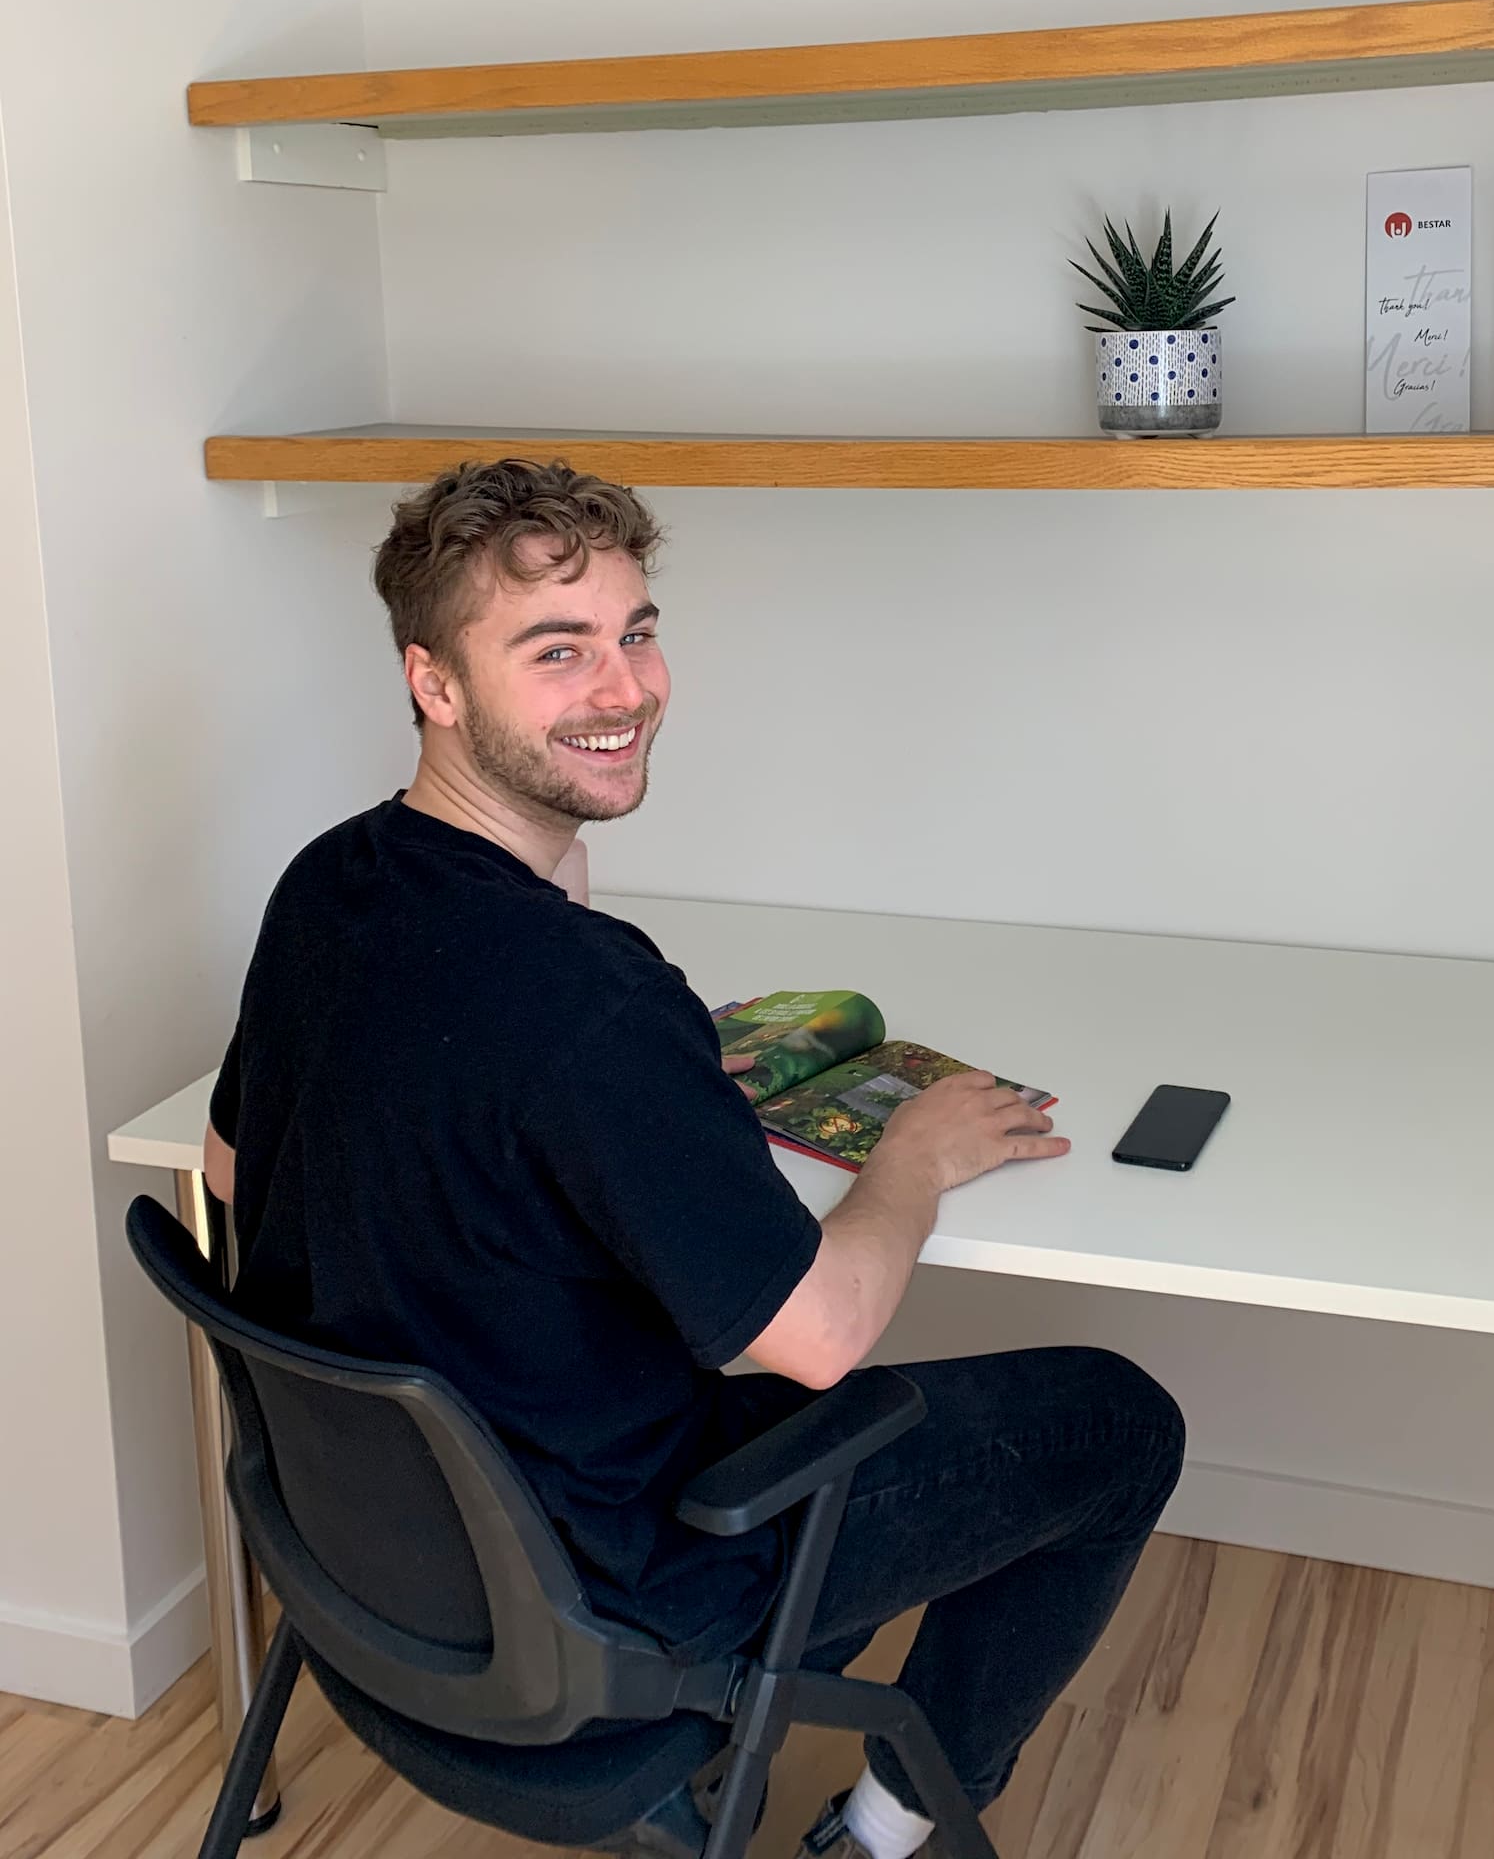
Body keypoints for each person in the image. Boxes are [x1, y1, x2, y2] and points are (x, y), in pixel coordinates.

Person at [205, 456, 1184, 1859]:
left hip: (374, 1597)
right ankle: (887, 1827)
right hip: (614, 1611)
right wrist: (909, 1155)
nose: (626, 688)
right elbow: (822, 1338)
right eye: (558, 651)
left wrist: (547, 1169)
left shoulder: (328, 888)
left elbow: (236, 1170)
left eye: (638, 633)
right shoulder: (587, 1007)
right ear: (433, 682)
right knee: (1118, 1422)